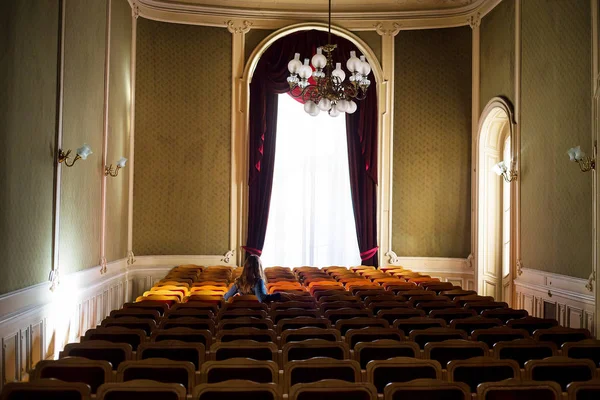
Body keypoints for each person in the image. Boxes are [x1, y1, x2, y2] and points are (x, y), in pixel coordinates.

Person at [224, 254, 288, 303]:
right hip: (257, 313)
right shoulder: (258, 282)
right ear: (258, 268)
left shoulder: (239, 281)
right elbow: (262, 298)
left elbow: (226, 297)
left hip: (242, 312)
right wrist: (279, 295)